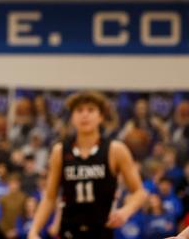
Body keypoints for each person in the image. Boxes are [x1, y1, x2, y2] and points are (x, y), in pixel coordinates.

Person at [29, 91, 148, 239]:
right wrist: (34, 230)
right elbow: (50, 197)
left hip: (102, 230)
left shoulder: (115, 149)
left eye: (91, 110)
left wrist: (125, 211)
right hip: (69, 230)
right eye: (79, 110)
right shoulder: (60, 151)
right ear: (72, 117)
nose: (84, 115)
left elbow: (140, 192)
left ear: (101, 116)